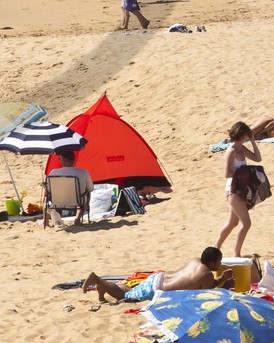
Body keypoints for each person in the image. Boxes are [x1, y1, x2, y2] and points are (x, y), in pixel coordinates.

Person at [80, 247, 231, 304]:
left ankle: (102, 290)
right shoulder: (206, 275)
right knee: (124, 296)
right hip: (157, 288)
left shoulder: (195, 261)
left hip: (158, 277)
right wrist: (223, 278)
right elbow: (209, 290)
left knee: (128, 290)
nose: (220, 263)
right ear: (211, 263)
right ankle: (97, 279)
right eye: (219, 261)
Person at [216, 122, 262, 255]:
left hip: (241, 189)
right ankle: (236, 253)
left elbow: (257, 158)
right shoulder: (231, 151)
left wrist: (253, 142)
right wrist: (242, 173)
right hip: (233, 190)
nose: (248, 137)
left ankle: (216, 247)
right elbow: (227, 173)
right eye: (248, 135)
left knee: (232, 222)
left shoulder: (241, 148)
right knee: (246, 223)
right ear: (242, 135)